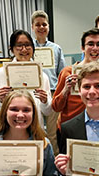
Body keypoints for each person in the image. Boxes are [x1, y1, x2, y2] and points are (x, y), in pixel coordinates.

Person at [0, 29, 52, 130]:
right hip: (9, 130)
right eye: (19, 45)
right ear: (12, 49)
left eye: (27, 45)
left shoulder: (42, 76)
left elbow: (47, 111)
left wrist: (45, 101)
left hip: (35, 129)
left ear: (33, 48)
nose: (24, 49)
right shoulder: (1, 73)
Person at [31, 10, 66, 155]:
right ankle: (38, 162)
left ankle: (55, 163)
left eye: (44, 24)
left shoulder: (56, 49)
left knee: (53, 132)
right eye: (37, 25)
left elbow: (62, 73)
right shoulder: (28, 48)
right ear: (32, 27)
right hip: (32, 93)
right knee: (34, 130)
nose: (41, 27)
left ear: (48, 27)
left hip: (51, 93)